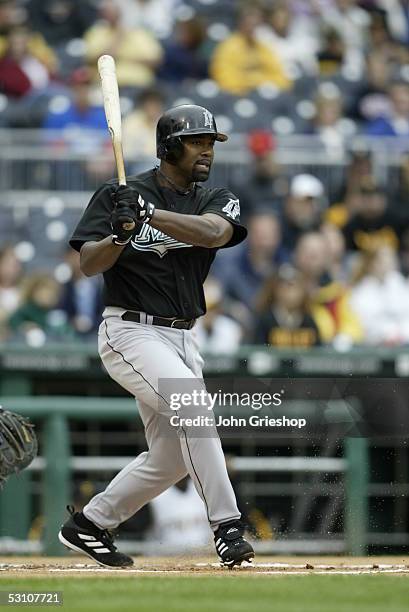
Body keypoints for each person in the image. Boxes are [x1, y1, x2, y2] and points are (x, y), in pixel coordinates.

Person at [58, 104, 255, 568]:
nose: (207, 151)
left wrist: (151, 215)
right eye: (197, 142)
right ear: (170, 146)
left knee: (171, 459)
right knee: (194, 407)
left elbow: (213, 234)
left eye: (211, 143)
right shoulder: (119, 193)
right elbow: (89, 263)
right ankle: (227, 526)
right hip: (130, 331)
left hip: (184, 338)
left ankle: (90, 523)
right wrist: (121, 235)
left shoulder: (216, 196)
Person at [209, 5, 291, 95]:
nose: (252, 28)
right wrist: (251, 82)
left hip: (262, 93)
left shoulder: (263, 46)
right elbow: (223, 77)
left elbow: (280, 76)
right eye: (249, 24)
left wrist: (262, 82)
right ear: (241, 24)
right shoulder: (228, 46)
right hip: (236, 95)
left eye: (256, 24)